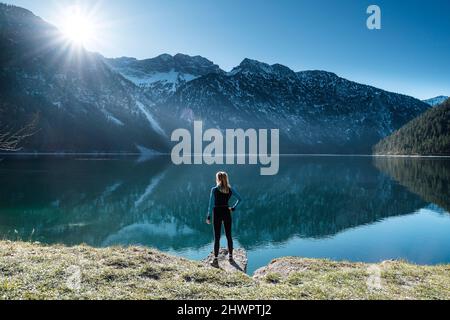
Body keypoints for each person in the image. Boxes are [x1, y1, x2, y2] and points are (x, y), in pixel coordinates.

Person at [206, 171, 242, 262]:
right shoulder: (230, 189)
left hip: (217, 212)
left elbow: (210, 204)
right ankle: (230, 257)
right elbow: (240, 199)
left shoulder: (214, 189)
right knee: (229, 235)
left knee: (217, 237)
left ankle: (215, 258)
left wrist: (208, 216)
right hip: (226, 211)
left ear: (218, 178)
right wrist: (233, 208)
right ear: (226, 178)